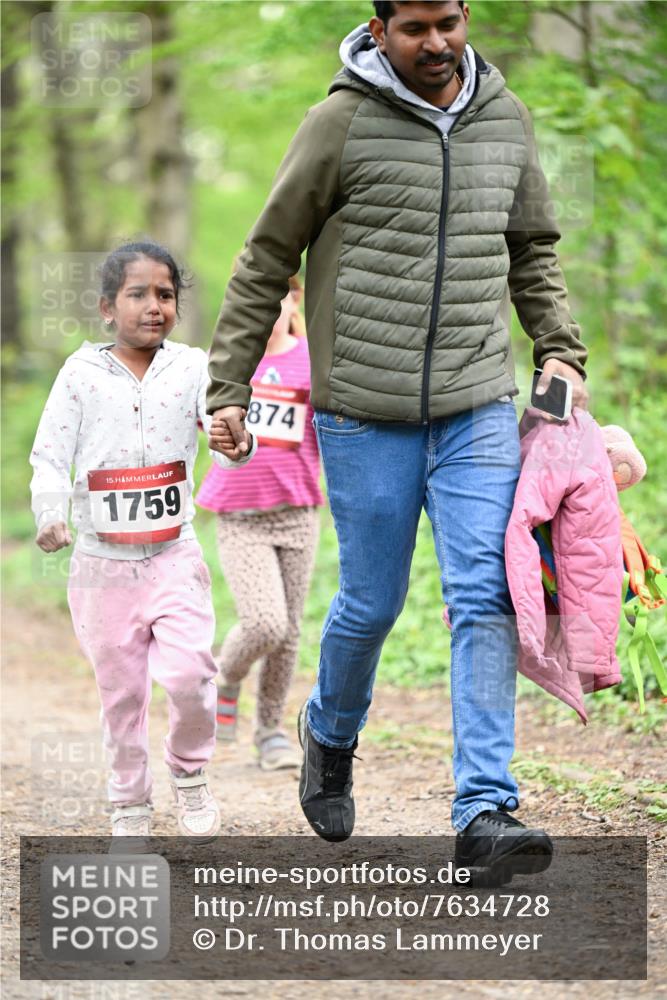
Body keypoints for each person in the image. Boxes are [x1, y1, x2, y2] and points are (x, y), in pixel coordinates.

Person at [206, 1, 589, 881]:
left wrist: (559, 347)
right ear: (378, 30)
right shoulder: (338, 123)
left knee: (484, 593)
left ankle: (483, 809)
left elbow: (530, 248)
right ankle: (328, 733)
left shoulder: (505, 116)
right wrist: (227, 387)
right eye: (414, 27)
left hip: (477, 402)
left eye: (448, 21)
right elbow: (266, 256)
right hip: (361, 411)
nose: (436, 43)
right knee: (370, 604)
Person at [30, 240, 255, 839]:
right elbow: (49, 457)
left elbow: (224, 433)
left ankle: (189, 772)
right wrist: (51, 513)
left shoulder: (192, 367)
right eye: (138, 294)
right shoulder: (79, 375)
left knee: (189, 678)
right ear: (107, 307)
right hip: (102, 568)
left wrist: (237, 441)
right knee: (122, 693)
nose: (154, 306)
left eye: (166, 294)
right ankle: (129, 799)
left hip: (173, 556)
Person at [196, 274, 323, 770]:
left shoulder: (313, 361)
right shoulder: (227, 364)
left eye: (281, 295)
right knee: (264, 622)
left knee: (289, 632)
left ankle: (269, 731)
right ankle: (225, 676)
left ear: (294, 301)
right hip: (239, 515)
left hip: (297, 513)